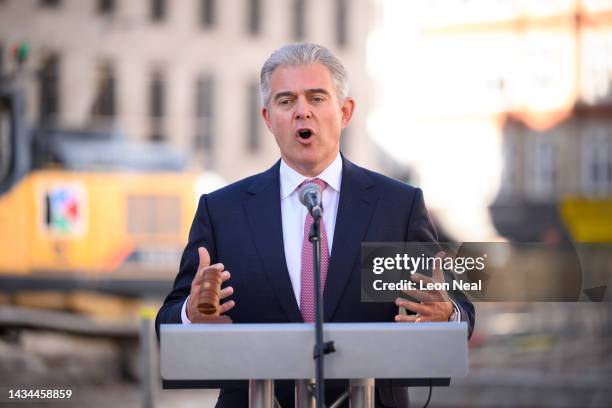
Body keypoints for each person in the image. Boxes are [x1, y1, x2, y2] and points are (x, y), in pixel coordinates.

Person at [156, 43, 475, 408]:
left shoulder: (396, 207)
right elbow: (167, 324)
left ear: (345, 111)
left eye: (317, 98)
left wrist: (447, 313)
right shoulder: (223, 210)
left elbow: (461, 310)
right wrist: (189, 315)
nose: (301, 111)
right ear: (267, 117)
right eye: (286, 101)